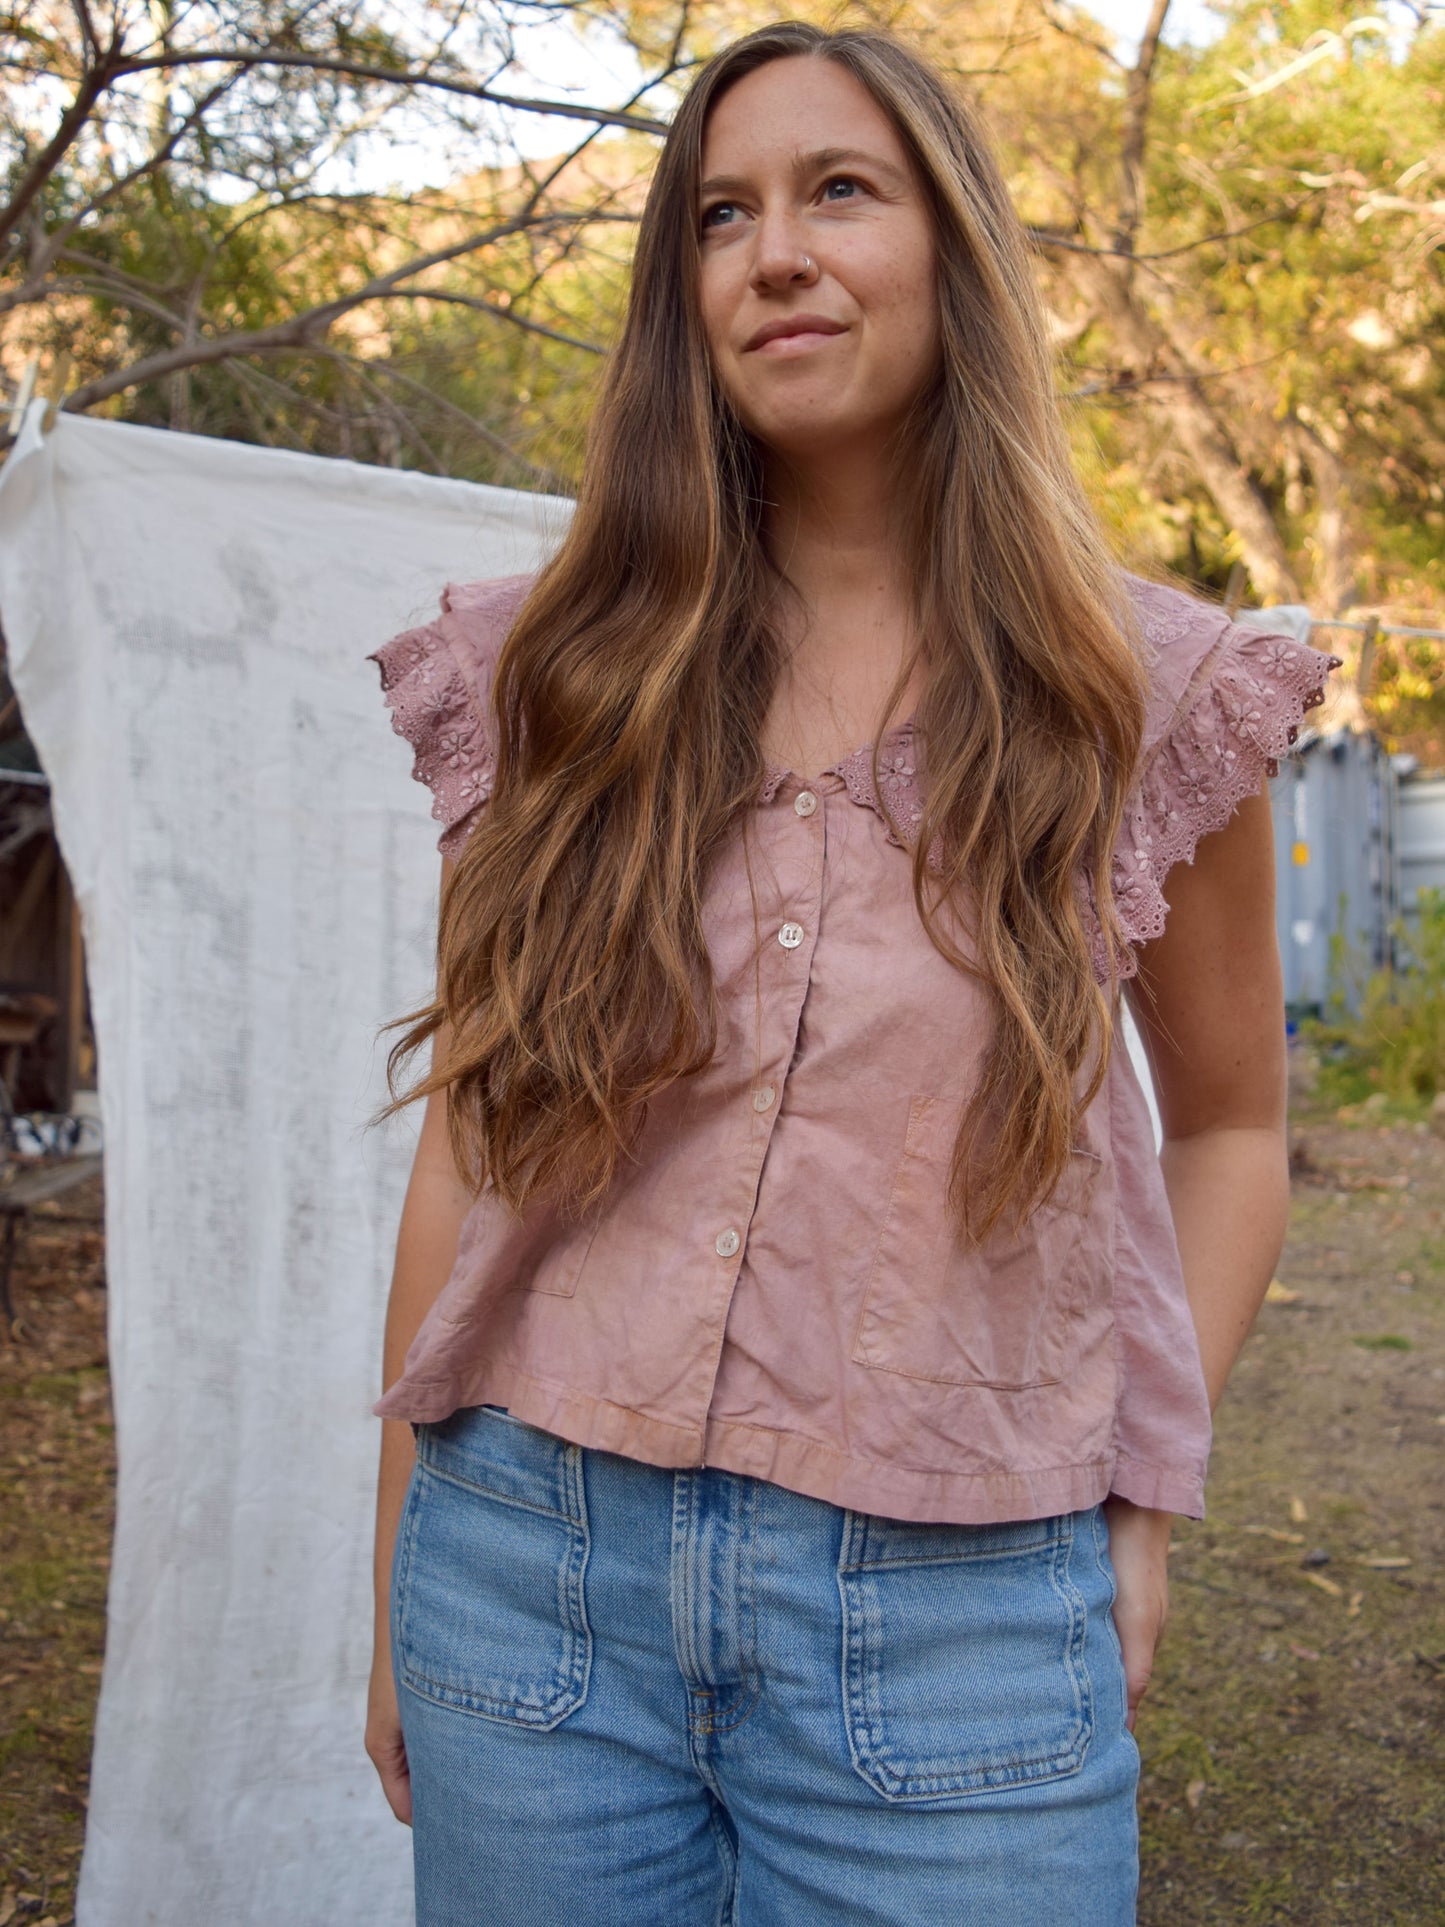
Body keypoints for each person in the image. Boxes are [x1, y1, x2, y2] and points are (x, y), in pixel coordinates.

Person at [362, 21, 1341, 1925]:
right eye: (720, 216)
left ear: (950, 248)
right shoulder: (553, 674)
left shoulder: (1144, 698)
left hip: (960, 1619)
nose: (773, 254)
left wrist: (1144, 1487)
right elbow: (470, 1153)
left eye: (837, 193)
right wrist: (393, 1580)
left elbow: (1229, 1128)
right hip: (528, 1590)